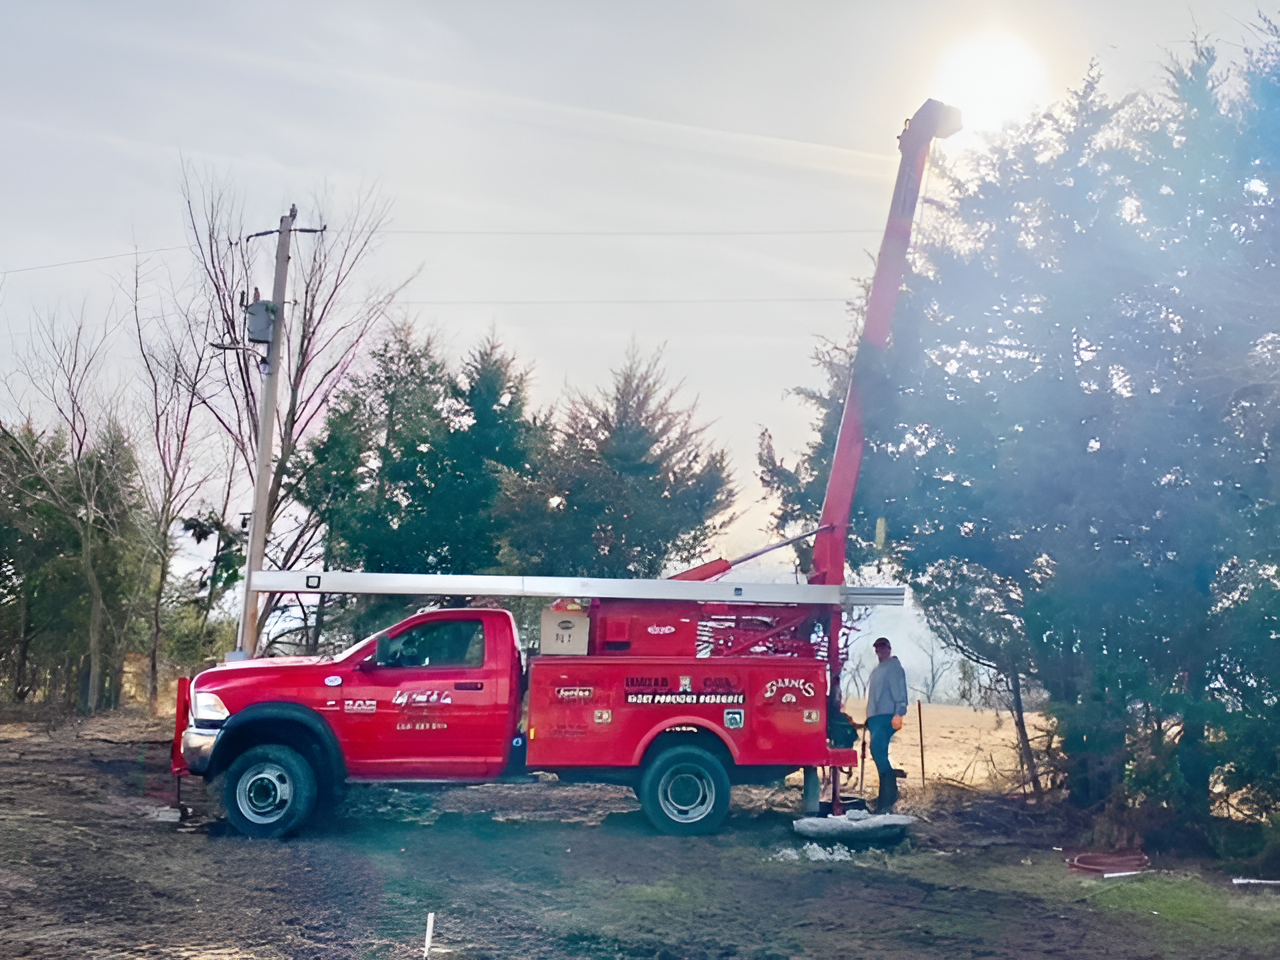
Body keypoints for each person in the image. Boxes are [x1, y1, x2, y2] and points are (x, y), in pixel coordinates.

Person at [865, 636, 908, 812]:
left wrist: (900, 711)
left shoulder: (893, 667)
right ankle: (886, 797)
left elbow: (899, 691)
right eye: (877, 648)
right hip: (875, 718)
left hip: (886, 716)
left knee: (878, 751)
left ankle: (888, 799)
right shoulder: (878, 669)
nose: (880, 651)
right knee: (877, 752)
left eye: (883, 648)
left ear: (889, 649)